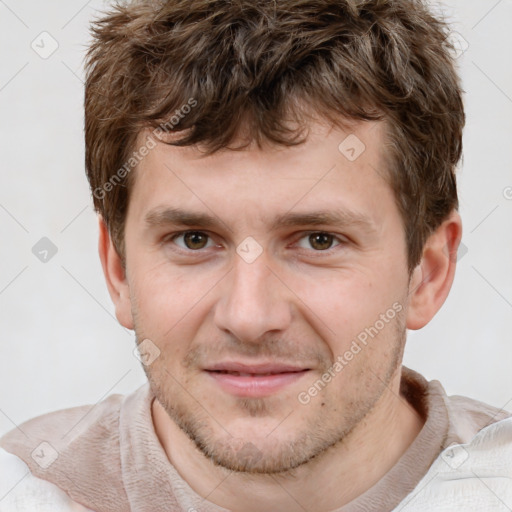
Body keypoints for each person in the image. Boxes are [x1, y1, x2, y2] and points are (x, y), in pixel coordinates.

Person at [1, 0, 511, 510]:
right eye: (194, 239)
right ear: (119, 272)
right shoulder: (23, 488)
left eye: (318, 240)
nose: (249, 317)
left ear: (427, 274)